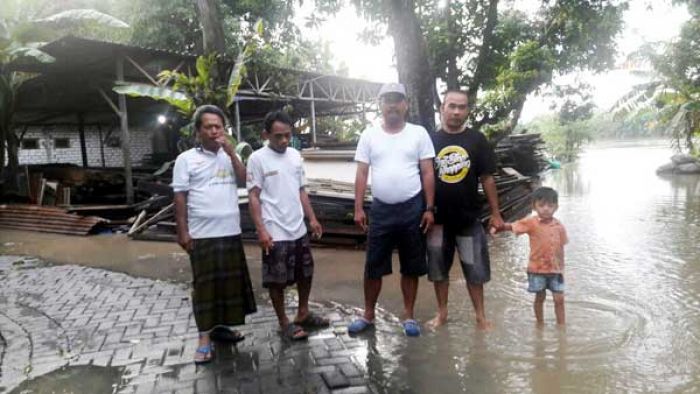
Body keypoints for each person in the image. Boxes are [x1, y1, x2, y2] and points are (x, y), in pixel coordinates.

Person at [348, 82, 435, 337]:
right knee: (373, 265)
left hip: (413, 209)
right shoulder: (369, 135)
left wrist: (429, 208)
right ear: (381, 105)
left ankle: (409, 316)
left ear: (406, 105)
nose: (393, 105)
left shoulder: (418, 133)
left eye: (398, 100)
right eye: (387, 100)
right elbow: (362, 173)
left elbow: (428, 171)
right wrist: (358, 208)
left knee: (411, 266)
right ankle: (368, 314)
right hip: (381, 210)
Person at [172, 104, 257, 364]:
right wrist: (183, 231)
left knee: (228, 286)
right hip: (202, 234)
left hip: (230, 231)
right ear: (198, 131)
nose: (213, 131)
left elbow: (244, 181)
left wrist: (231, 152)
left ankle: (221, 329)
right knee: (205, 288)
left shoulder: (229, 156)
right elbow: (180, 197)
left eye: (218, 126)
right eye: (208, 126)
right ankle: (204, 339)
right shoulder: (186, 159)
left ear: (224, 129)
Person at [246, 110, 328, 340]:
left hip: (297, 227)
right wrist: (261, 229)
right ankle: (284, 322)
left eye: (287, 135)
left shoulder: (294, 155)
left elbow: (301, 190)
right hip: (274, 229)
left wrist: (311, 218)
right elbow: (253, 196)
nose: (283, 141)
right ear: (266, 134)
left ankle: (303, 313)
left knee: (306, 273)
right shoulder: (257, 159)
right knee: (277, 279)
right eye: (278, 136)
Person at [426, 90, 504, 330]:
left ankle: (480, 316)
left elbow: (487, 178)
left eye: (462, 107)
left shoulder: (477, 140)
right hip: (437, 221)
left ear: (468, 110)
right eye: (452, 106)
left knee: (475, 271)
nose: (457, 112)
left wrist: (496, 213)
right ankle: (442, 314)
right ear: (442, 108)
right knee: (438, 270)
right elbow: (420, 175)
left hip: (469, 219)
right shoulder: (429, 140)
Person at [498, 187, 568, 326]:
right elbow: (514, 226)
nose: (546, 209)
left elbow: (561, 249)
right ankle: (540, 323)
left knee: (559, 299)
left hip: (556, 271)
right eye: (541, 205)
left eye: (550, 205)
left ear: (556, 207)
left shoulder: (559, 226)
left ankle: (561, 326)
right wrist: (500, 227)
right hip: (537, 270)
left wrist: (563, 268)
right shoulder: (531, 222)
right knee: (540, 297)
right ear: (534, 206)